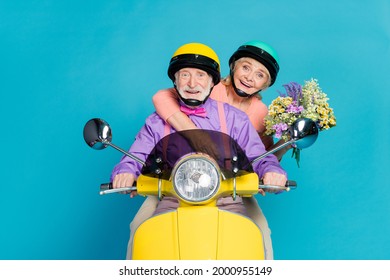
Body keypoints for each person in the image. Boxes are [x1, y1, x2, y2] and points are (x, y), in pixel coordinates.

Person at [111, 42, 287, 260]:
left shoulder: (237, 119)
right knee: (138, 231)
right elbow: (136, 154)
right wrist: (125, 172)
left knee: (260, 233)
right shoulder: (157, 121)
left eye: (201, 75)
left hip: (228, 196)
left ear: (213, 81)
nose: (192, 83)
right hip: (171, 196)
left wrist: (272, 171)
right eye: (184, 75)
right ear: (174, 81)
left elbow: (258, 154)